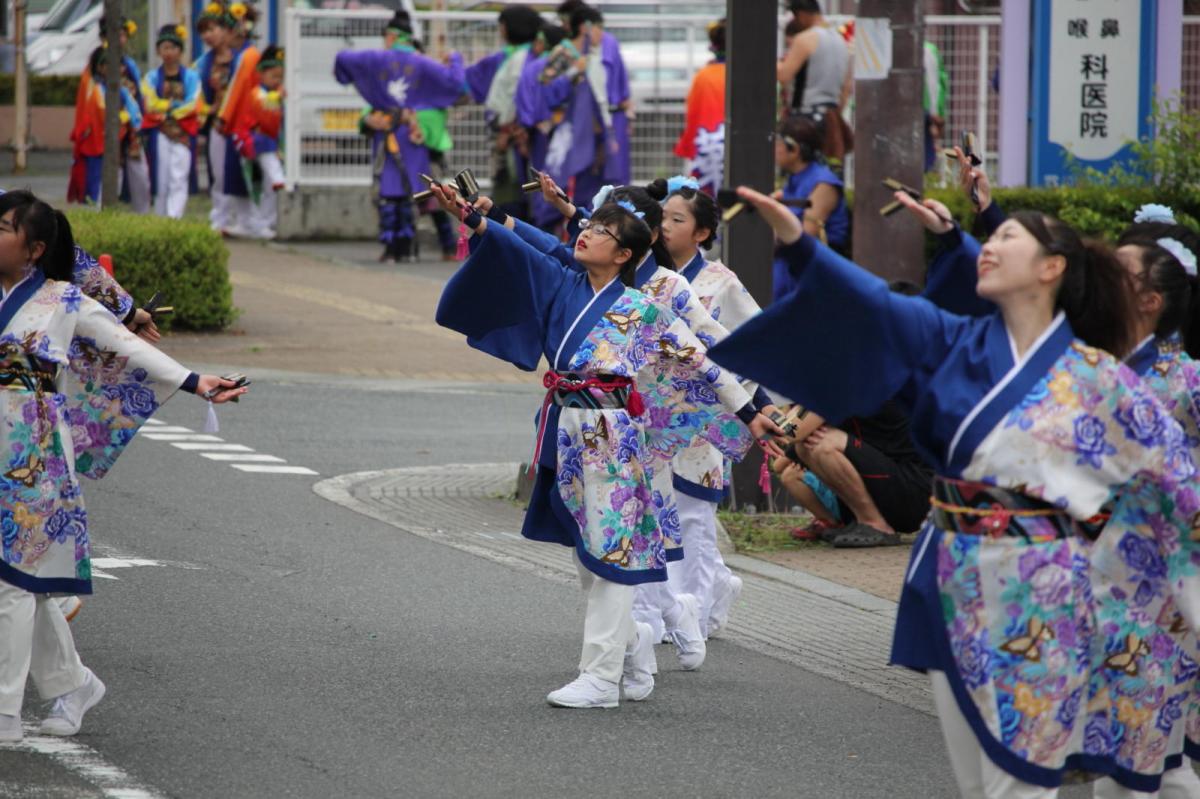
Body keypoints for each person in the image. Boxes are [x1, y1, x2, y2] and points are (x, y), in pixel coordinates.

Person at [708, 188, 1200, 797]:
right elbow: (875, 306)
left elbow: (1181, 493)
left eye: (1006, 238)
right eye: (989, 239)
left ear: (1052, 268)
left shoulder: (1100, 379)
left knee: (1019, 780)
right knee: (976, 781)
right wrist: (800, 245)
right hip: (948, 577)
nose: (989, 247)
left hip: (1040, 586)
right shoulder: (955, 342)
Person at [434, 184, 778, 708]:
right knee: (583, 552)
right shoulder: (566, 283)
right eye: (589, 225)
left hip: (611, 434)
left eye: (601, 231)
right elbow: (524, 250)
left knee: (610, 552)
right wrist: (475, 216)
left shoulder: (649, 308)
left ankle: (600, 677)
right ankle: (633, 641)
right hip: (561, 425)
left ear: (624, 255)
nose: (586, 233)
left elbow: (705, 363)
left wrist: (754, 414)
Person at [0, 192, 247, 744]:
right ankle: (74, 683)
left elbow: (127, 347)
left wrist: (195, 381)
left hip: (31, 455)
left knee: (11, 582)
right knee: (19, 584)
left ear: (35, 249)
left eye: (3, 228)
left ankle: (5, 715)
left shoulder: (65, 302)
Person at [336, 14, 466, 263]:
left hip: (403, 142)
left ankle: (410, 247)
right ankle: (399, 248)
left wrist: (412, 124)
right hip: (400, 141)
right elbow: (456, 85)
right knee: (401, 197)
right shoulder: (424, 68)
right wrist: (370, 120)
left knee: (408, 198)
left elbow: (342, 59)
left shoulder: (378, 62)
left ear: (392, 36)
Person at [464, 5, 543, 220]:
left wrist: (507, 130)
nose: (500, 30)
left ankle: (514, 236)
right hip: (515, 132)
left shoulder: (520, 57)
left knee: (512, 186)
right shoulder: (525, 54)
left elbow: (515, 96)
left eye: (502, 25)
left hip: (511, 134)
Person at [194, 1, 259, 236]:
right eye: (204, 32)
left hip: (238, 123)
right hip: (218, 124)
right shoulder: (204, 62)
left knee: (241, 173)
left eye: (213, 29)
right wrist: (207, 111)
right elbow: (196, 90)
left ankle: (247, 219)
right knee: (219, 173)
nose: (209, 36)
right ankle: (221, 217)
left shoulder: (245, 56)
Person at [772, 115, 849, 300]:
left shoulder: (824, 184)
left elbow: (807, 233)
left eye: (778, 144)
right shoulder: (792, 180)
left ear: (794, 149)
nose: (775, 150)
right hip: (788, 264)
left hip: (810, 271)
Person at [556, 1, 631, 187]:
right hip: (575, 128)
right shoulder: (564, 52)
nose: (602, 34)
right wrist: (574, 72)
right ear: (585, 27)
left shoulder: (595, 53)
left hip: (599, 126)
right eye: (599, 28)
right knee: (577, 179)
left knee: (603, 179)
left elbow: (608, 92)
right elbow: (549, 90)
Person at [777, 0, 853, 164]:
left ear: (802, 14)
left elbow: (784, 75)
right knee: (827, 171)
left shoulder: (805, 39)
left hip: (804, 119)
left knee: (803, 176)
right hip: (831, 119)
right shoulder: (841, 41)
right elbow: (847, 87)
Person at [68, 47, 144, 206]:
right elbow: (104, 114)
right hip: (97, 144)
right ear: (101, 68)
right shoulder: (95, 89)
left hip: (118, 142)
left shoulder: (123, 90)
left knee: (118, 180)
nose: (117, 69)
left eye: (120, 65)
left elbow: (136, 114)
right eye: (110, 65)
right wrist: (123, 117)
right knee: (96, 184)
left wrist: (126, 119)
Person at [142, 24, 201, 219]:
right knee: (161, 176)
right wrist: (174, 107)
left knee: (179, 176)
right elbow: (149, 103)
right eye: (164, 48)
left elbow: (194, 103)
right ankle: (160, 217)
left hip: (183, 132)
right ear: (158, 50)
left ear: (180, 51)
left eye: (173, 48)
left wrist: (167, 109)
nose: (168, 52)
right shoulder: (151, 77)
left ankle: (175, 217)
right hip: (160, 131)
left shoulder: (191, 77)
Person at [515, 22, 570, 231]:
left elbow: (524, 101)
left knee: (542, 177)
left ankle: (543, 225)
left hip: (540, 132)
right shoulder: (568, 66)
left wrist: (526, 128)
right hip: (567, 130)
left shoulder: (533, 67)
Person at [231, 44, 285, 239]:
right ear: (262, 74)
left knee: (269, 187)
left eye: (280, 77)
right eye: (274, 76)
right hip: (254, 143)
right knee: (256, 186)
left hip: (268, 143)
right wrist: (278, 97)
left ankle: (267, 221)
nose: (277, 81)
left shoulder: (273, 94)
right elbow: (265, 111)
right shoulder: (257, 94)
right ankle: (258, 223)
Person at [673, 20, 725, 195]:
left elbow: (693, 116)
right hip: (738, 143)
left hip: (708, 146)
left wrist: (687, 147)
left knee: (707, 204)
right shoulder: (746, 74)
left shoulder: (704, 76)